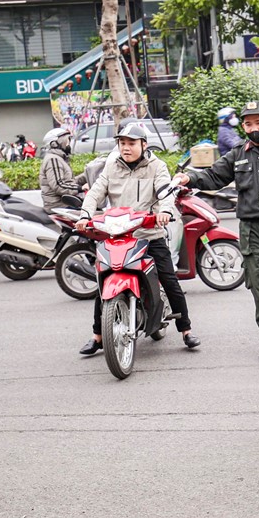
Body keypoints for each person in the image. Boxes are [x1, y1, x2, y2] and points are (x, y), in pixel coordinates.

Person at [173, 101, 259, 361]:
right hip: (250, 229)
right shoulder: (238, 153)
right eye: (248, 124)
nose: (254, 128)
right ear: (244, 127)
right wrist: (188, 178)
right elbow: (214, 176)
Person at [75, 124, 200, 354]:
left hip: (149, 234)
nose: (126, 148)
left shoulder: (156, 166)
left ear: (143, 144)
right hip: (118, 236)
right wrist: (85, 215)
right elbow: (95, 192)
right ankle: (98, 335)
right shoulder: (111, 166)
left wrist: (165, 212)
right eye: (122, 143)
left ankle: (186, 330)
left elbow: (165, 193)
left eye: (131, 143)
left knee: (169, 279)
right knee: (103, 279)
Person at [39, 128, 88, 213]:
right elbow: (59, 185)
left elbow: (68, 182)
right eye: (66, 141)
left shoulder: (59, 158)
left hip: (64, 203)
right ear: (55, 144)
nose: (68, 144)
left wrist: (87, 175)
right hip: (58, 206)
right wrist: (81, 188)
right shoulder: (53, 159)